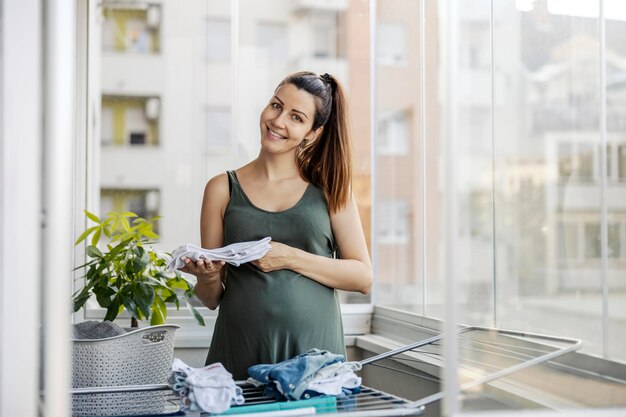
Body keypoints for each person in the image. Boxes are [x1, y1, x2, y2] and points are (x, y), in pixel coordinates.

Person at [180, 71, 373, 380]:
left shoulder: (330, 188)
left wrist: (288, 257)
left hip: (314, 360)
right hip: (239, 353)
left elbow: (363, 277)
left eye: (296, 117)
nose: (278, 121)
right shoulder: (221, 189)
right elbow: (211, 298)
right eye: (276, 105)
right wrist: (208, 276)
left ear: (313, 132)